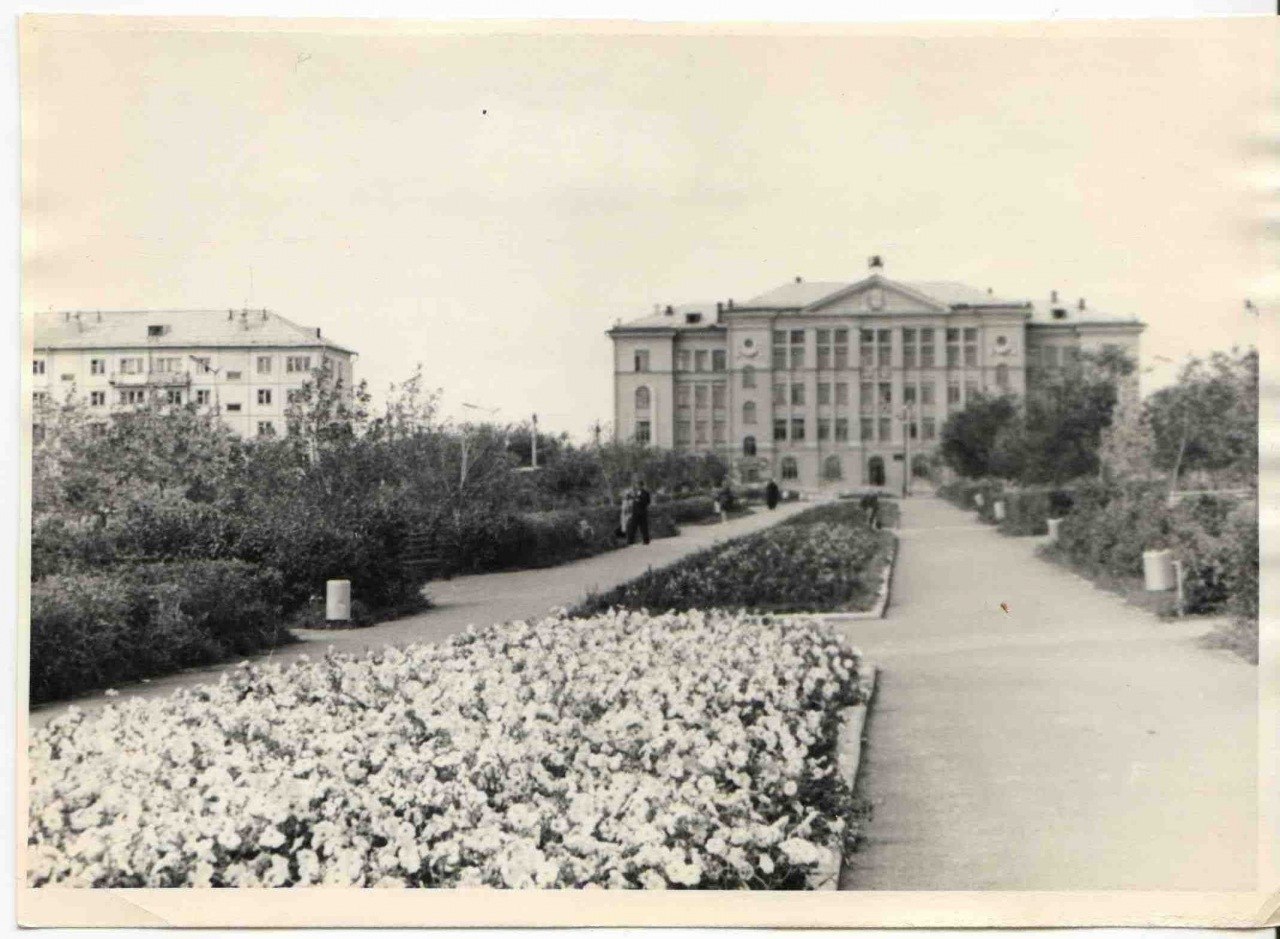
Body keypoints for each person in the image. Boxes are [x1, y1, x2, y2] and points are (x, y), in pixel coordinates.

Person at [625, 477, 651, 545]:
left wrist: (639, 500)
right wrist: (629, 496)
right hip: (635, 512)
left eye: (639, 485)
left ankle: (646, 540)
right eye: (637, 485)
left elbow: (647, 501)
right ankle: (630, 541)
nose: (638, 487)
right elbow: (629, 498)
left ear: (641, 485)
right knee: (633, 526)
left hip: (642, 512)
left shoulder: (645, 492)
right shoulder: (635, 492)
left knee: (644, 527)